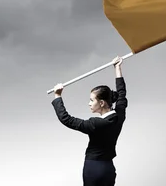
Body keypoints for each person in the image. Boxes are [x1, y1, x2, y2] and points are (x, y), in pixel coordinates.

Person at [51, 56, 127, 186]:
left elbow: (67, 119)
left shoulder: (96, 124)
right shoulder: (119, 116)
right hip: (108, 168)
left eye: (92, 100)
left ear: (102, 103)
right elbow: (122, 94)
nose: (89, 103)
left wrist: (57, 96)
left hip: (94, 169)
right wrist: (118, 68)